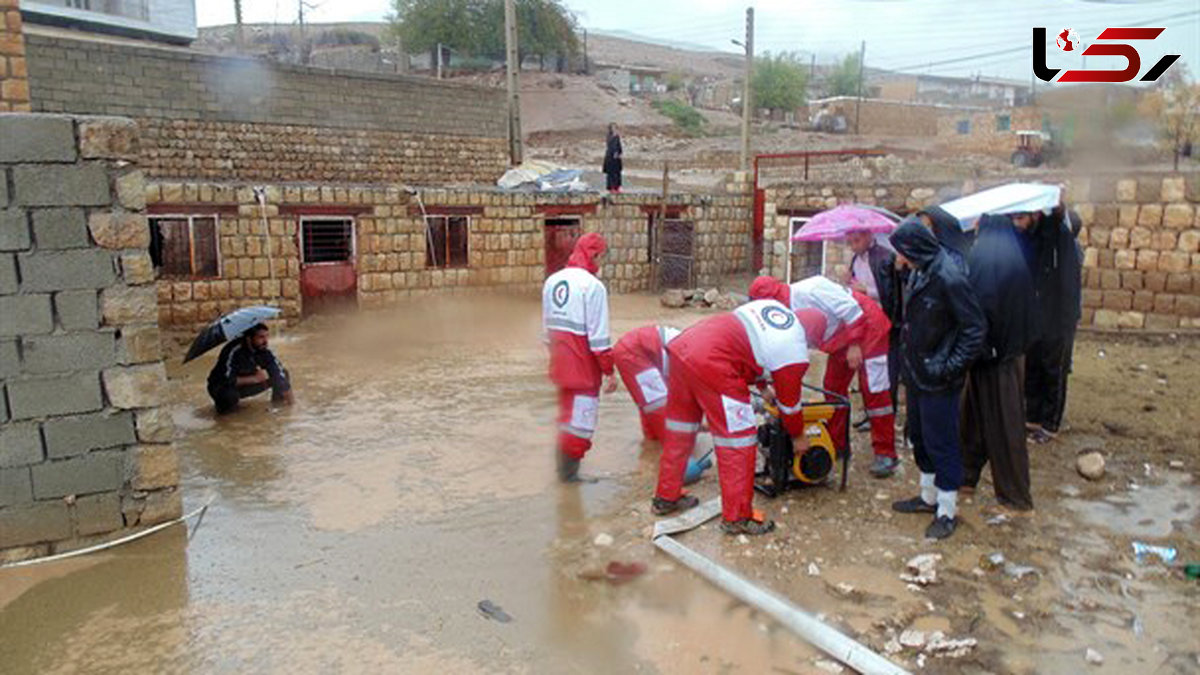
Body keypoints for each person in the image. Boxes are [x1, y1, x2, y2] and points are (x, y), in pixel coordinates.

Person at [653, 299, 810, 535]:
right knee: (739, 440)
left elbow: (747, 345)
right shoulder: (794, 348)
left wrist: (763, 387)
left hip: (684, 348)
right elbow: (790, 405)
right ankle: (737, 517)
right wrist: (798, 435)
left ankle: (666, 497)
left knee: (681, 430)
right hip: (714, 362)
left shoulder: (770, 312)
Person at [888, 219, 985, 540]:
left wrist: (949, 367)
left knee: (942, 440)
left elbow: (974, 329)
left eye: (901, 252)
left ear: (913, 249)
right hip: (917, 371)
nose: (898, 259)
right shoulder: (920, 270)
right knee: (919, 435)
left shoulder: (949, 276)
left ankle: (947, 509)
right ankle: (928, 496)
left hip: (938, 375)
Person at [748, 275, 899, 478]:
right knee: (833, 388)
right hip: (839, 338)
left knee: (875, 393)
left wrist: (855, 345)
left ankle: (886, 453)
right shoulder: (782, 312)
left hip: (869, 328)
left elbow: (852, 311)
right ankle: (838, 445)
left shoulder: (813, 288)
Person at [960, 214, 1038, 513]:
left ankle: (1015, 495)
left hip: (995, 354)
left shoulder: (986, 254)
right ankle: (966, 476)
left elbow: (981, 304)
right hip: (1002, 350)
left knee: (1005, 424)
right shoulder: (1009, 252)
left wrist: (979, 347)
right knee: (973, 420)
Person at [542, 233, 617, 482]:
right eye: (601, 256)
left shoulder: (552, 281)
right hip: (584, 368)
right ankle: (569, 478)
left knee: (566, 416)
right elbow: (599, 339)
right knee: (581, 423)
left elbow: (546, 332)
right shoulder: (593, 287)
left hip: (559, 363)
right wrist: (609, 371)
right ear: (594, 254)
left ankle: (560, 473)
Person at [1024, 208, 1083, 444]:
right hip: (1040, 317)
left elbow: (1069, 289)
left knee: (1054, 370)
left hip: (1059, 320)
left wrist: (1067, 319)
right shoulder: (1042, 245)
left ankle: (1050, 424)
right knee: (1035, 365)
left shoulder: (1067, 248)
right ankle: (1033, 417)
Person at [613, 324, 681, 443]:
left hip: (637, 347)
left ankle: (651, 443)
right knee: (657, 402)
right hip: (635, 351)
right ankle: (675, 450)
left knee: (649, 401)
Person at [207, 323, 293, 414]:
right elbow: (226, 379)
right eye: (261, 337)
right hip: (220, 387)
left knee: (283, 374)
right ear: (249, 339)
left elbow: (279, 374)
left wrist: (292, 406)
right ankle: (226, 419)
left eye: (267, 337)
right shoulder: (233, 351)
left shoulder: (263, 350)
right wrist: (254, 379)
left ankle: (277, 406)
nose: (266, 341)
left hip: (244, 386)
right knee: (229, 396)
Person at [603, 123, 623, 193]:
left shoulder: (617, 137)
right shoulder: (609, 137)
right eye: (614, 128)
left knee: (617, 173)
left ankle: (617, 187)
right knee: (611, 174)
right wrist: (615, 153)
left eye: (616, 128)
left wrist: (619, 153)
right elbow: (611, 147)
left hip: (616, 158)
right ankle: (612, 188)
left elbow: (619, 146)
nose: (615, 130)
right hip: (610, 158)